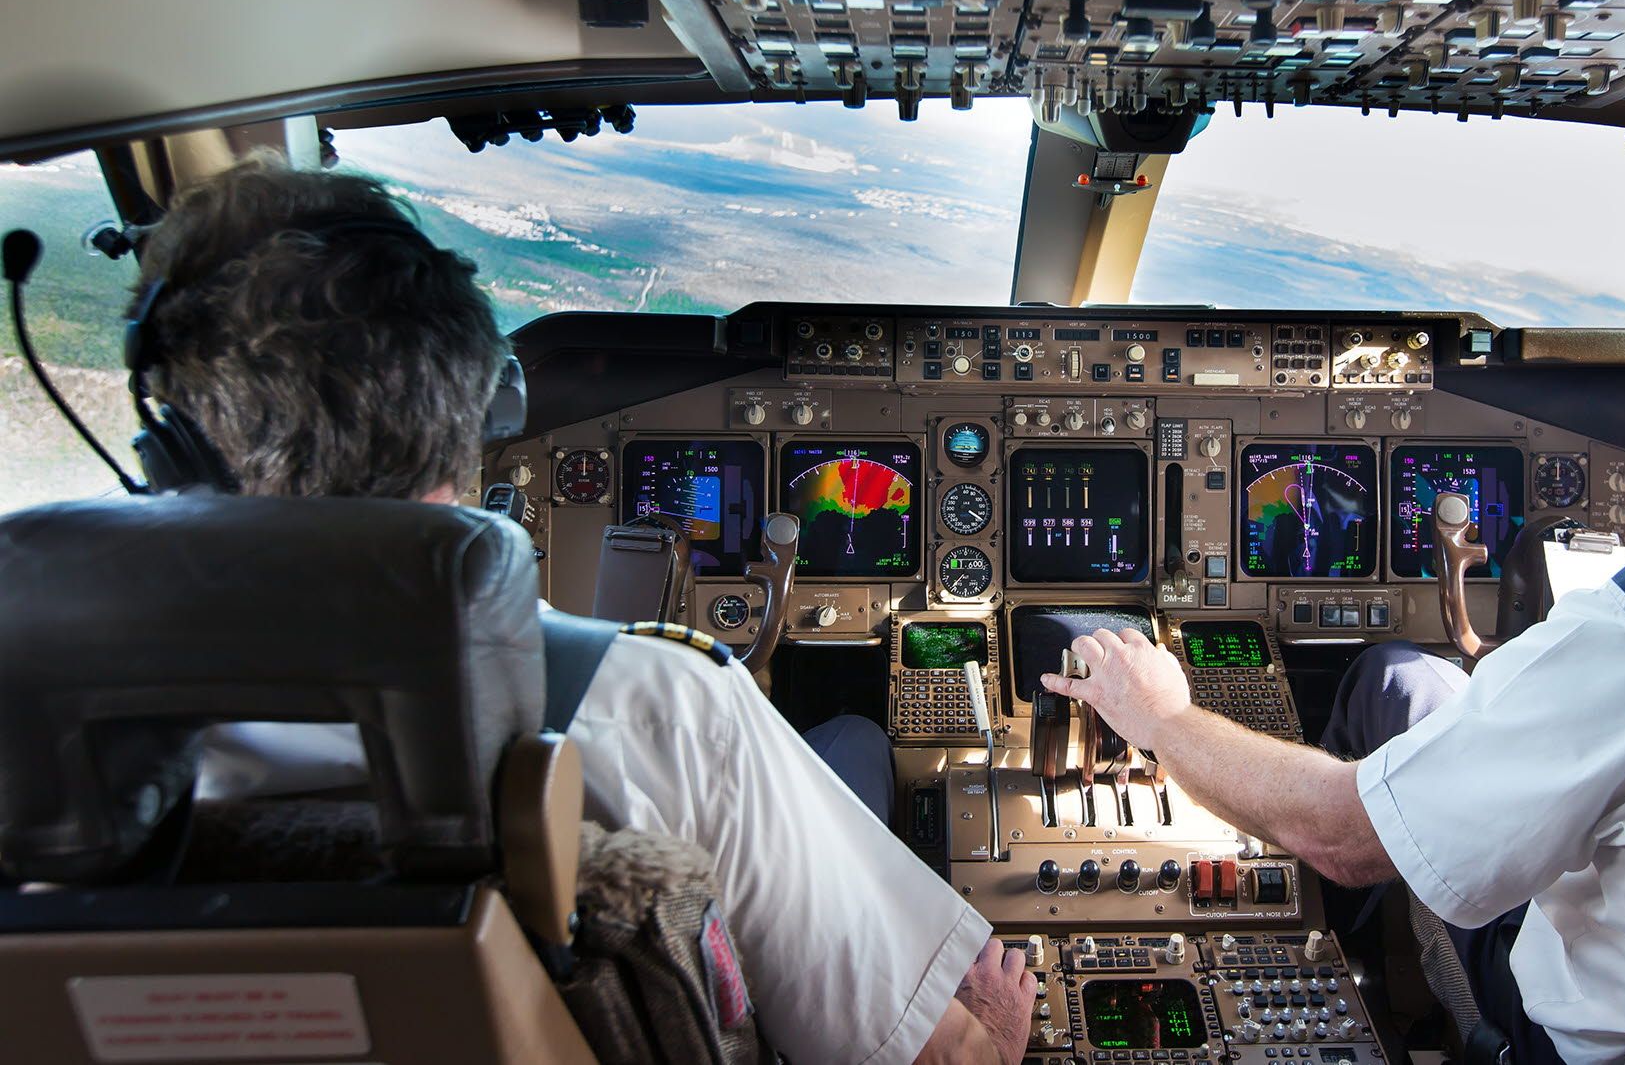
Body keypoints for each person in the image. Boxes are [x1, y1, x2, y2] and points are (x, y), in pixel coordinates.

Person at [1044, 98, 1625, 1064]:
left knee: (1387, 716)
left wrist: (1158, 716)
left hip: (1586, 1037)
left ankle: (1329, 958)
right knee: (1404, 680)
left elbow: (1345, 835)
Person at [133, 157, 1034, 1065]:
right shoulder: (662, 705)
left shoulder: (56, 737)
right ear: (475, 416)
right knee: (854, 741)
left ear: (171, 453)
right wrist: (990, 1035)